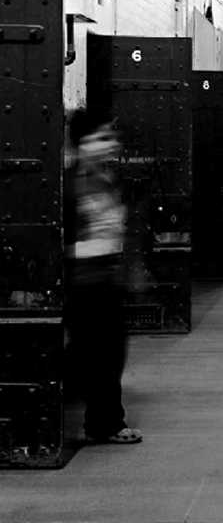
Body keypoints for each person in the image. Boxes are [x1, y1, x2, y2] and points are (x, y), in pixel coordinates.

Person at [64, 108, 142, 444]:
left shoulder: (107, 180)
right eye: (102, 138)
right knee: (101, 354)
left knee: (107, 353)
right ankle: (105, 423)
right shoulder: (69, 186)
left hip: (106, 281)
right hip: (84, 283)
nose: (111, 144)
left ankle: (101, 418)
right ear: (82, 143)